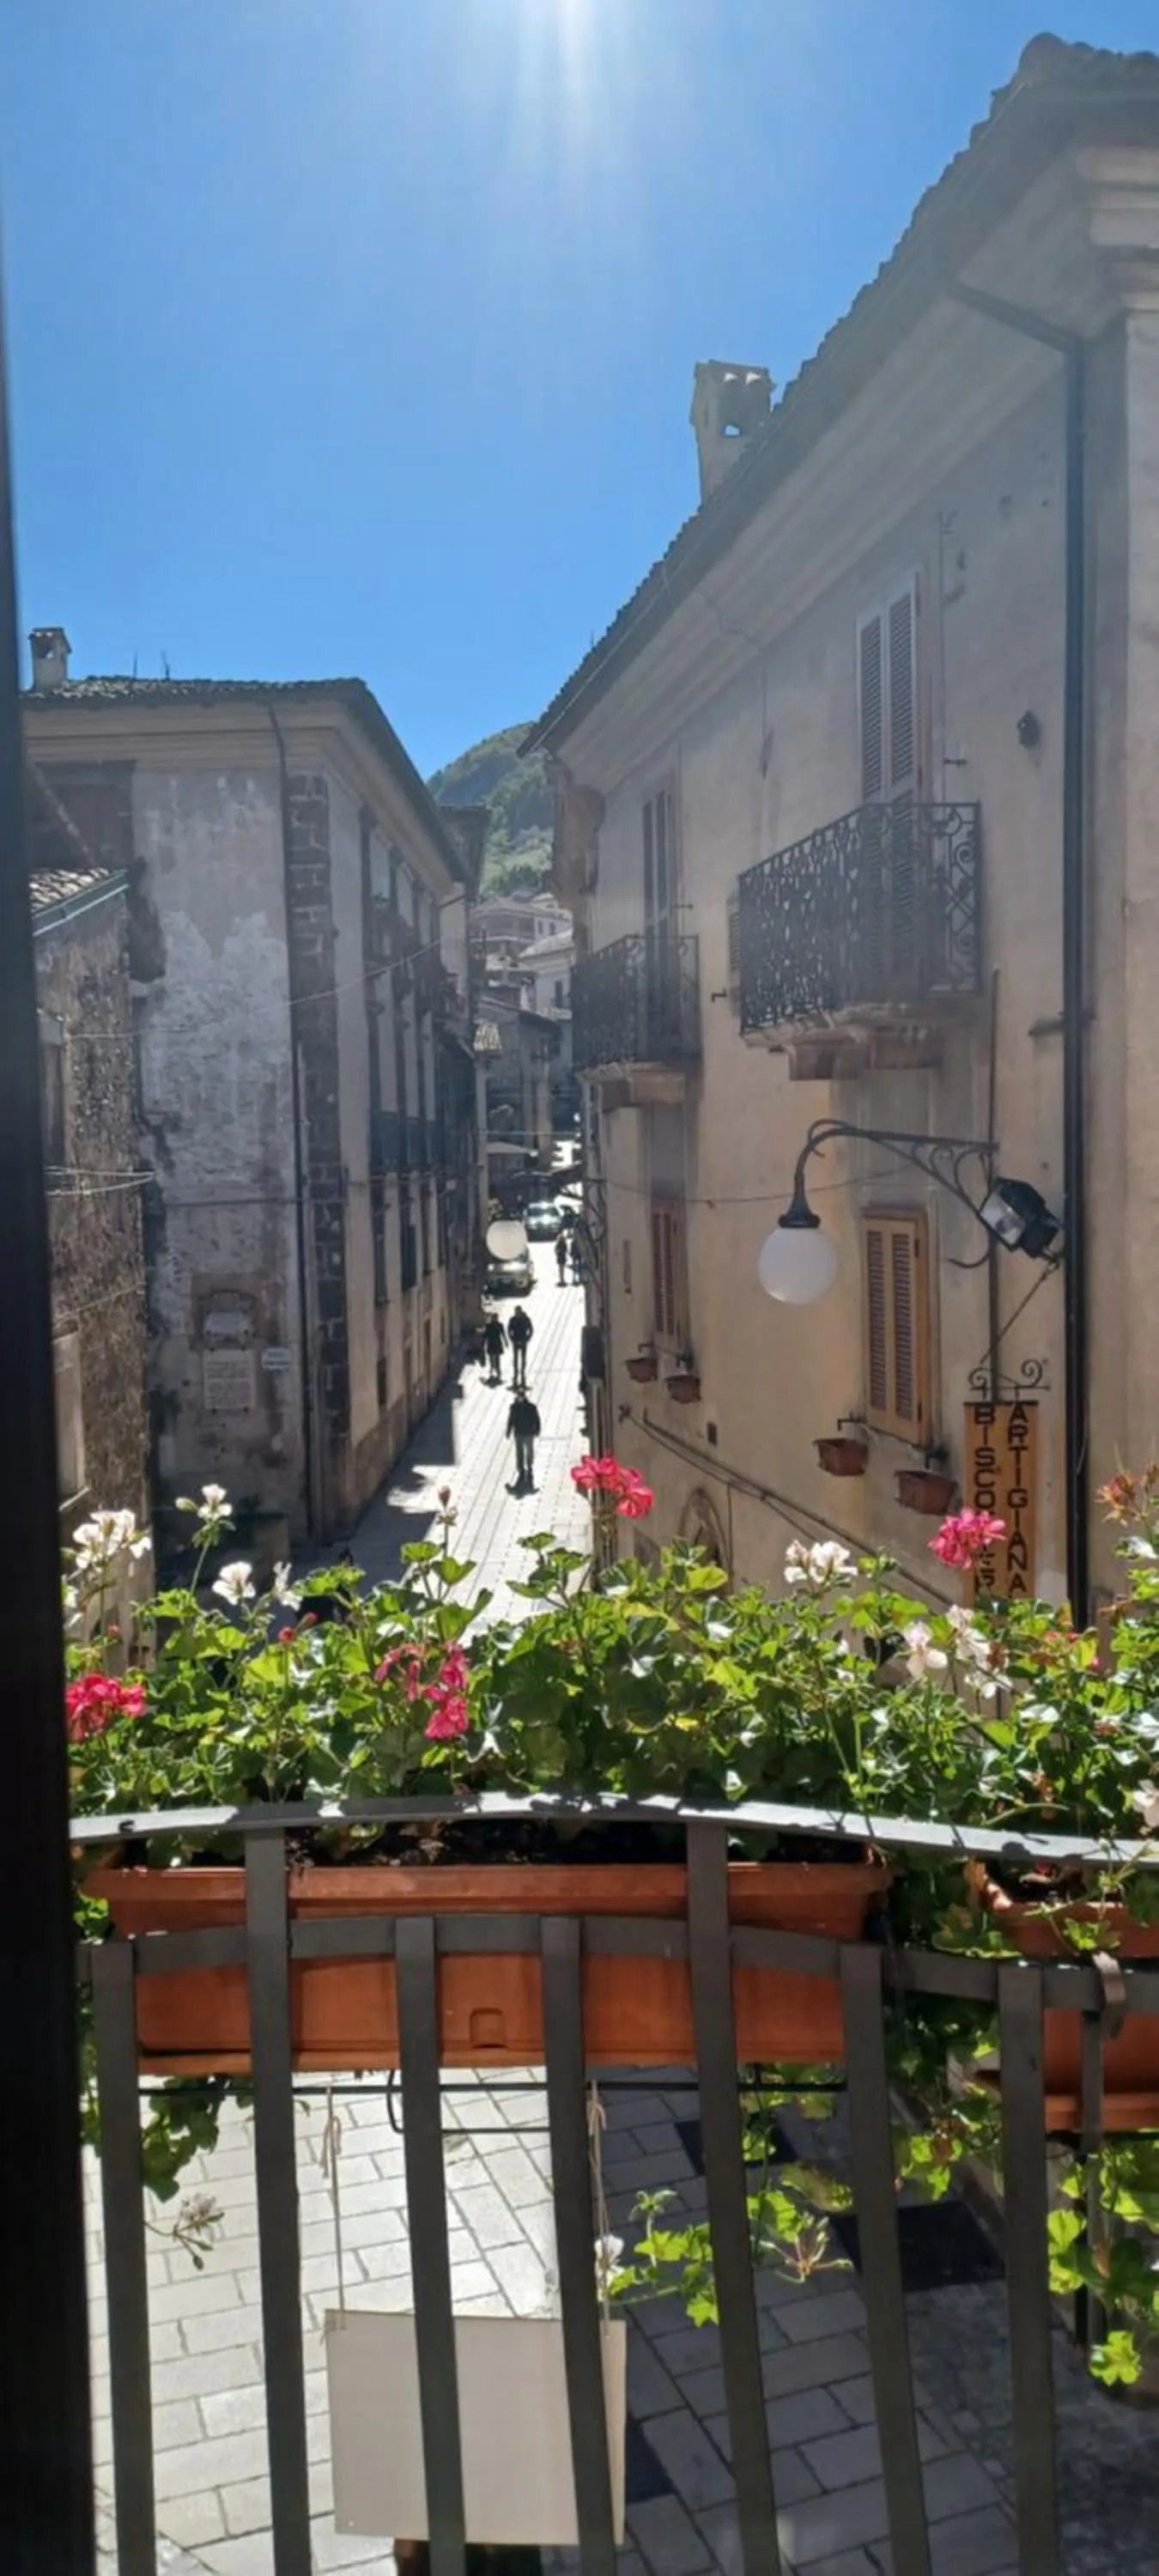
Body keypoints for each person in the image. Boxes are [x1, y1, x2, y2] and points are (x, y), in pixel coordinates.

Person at [507, 1388, 541, 1492]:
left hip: (529, 1432)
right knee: (519, 1452)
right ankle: (521, 1468)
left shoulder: (531, 1407)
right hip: (519, 1433)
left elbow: (537, 1419)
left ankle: (529, 1465)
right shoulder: (513, 1407)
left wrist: (537, 1430)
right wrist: (508, 1430)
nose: (520, 1398)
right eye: (518, 1396)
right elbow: (511, 1419)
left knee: (529, 1451)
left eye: (521, 1396)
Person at [507, 1303, 533, 1388]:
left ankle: (522, 1374)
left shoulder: (526, 1319)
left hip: (523, 1341)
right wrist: (512, 1339)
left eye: (518, 1312)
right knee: (515, 1359)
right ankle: (515, 1375)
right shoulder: (512, 1320)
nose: (517, 1313)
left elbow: (531, 1329)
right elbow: (509, 1330)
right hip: (515, 1341)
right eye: (516, 1312)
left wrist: (527, 1338)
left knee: (523, 1359)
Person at [482, 1312, 507, 1385]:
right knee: (491, 1358)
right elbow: (485, 1335)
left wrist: (505, 1341)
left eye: (495, 1318)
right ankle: (492, 1369)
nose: (495, 1319)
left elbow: (503, 1334)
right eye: (494, 1318)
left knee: (497, 1358)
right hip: (492, 1343)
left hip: (496, 1343)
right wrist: (483, 1343)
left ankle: (497, 1370)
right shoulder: (489, 1326)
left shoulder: (499, 1325)